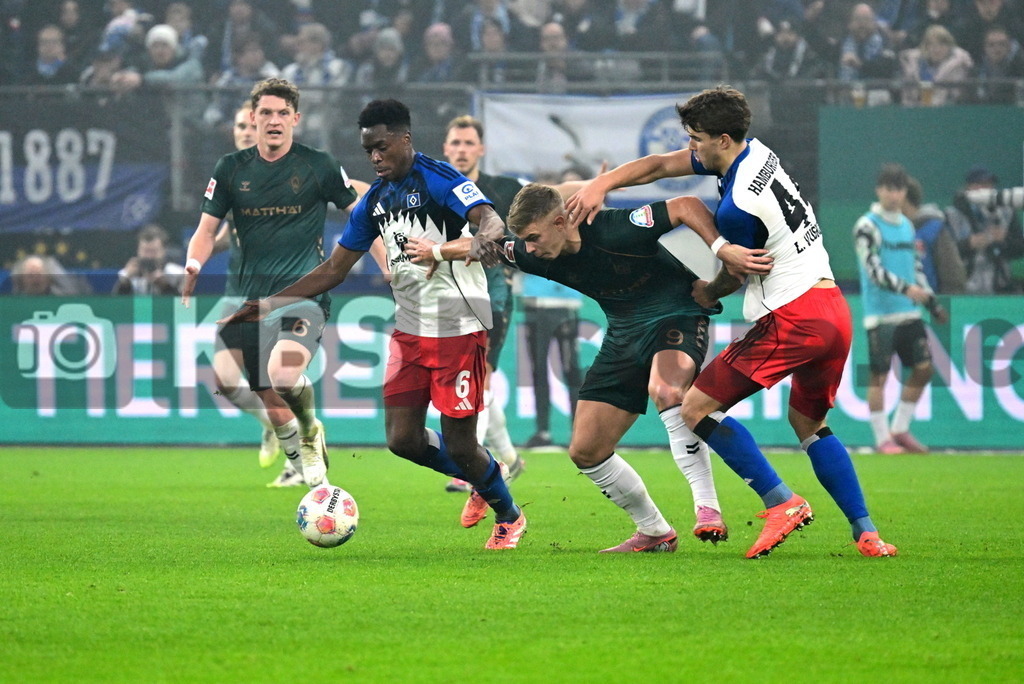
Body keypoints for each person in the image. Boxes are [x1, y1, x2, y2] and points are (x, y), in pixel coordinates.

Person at [566, 85, 899, 559]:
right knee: (810, 424)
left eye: (696, 139)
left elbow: (740, 268)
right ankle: (866, 532)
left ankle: (781, 502)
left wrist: (709, 290)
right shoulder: (756, 154)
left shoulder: (740, 207)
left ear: (722, 138)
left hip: (794, 315)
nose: (691, 148)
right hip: (832, 309)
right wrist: (602, 184)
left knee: (693, 407)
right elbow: (661, 164)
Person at [221, 98, 528, 550]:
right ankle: (487, 477)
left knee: (462, 444)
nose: (376, 158)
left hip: (460, 328)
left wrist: (482, 240)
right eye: (368, 152)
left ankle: (508, 514)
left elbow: (490, 219)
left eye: (382, 147)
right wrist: (268, 305)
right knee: (402, 440)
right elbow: (333, 270)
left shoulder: (440, 178)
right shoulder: (375, 203)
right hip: (409, 332)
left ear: (405, 138)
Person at [405, 183, 771, 551]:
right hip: (624, 331)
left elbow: (685, 204)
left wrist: (721, 249)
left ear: (562, 222)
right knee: (586, 451)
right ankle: (656, 532)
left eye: (534, 237)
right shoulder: (534, 252)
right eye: (525, 240)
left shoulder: (615, 227)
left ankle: (707, 507)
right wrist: (436, 250)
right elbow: (483, 247)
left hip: (677, 312)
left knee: (666, 390)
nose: (529, 249)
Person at [181, 78, 362, 491]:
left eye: (283, 113)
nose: (274, 120)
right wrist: (193, 262)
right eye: (266, 113)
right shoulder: (230, 169)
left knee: (282, 376)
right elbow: (206, 230)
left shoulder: (319, 164)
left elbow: (361, 215)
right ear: (254, 118)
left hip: (304, 295)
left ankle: (310, 437)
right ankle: (301, 443)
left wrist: (387, 263)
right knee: (244, 387)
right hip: (249, 301)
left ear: (296, 119)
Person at [439, 115, 526, 494]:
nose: (461, 149)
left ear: (481, 149)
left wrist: (595, 185)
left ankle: (476, 464)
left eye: (468, 143)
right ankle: (508, 456)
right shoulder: (435, 189)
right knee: (466, 378)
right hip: (449, 294)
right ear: (445, 148)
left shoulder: (502, 189)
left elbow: (552, 191)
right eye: (455, 143)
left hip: (494, 291)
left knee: (480, 375)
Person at [854, 164, 948, 455]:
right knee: (879, 376)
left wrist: (930, 301)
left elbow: (914, 266)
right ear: (879, 190)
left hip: (909, 313)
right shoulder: (867, 226)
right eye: (889, 188)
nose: (894, 195)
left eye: (899, 189)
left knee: (924, 369)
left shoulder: (907, 225)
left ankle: (900, 428)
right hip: (880, 315)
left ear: (905, 192)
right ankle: (882, 438)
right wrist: (907, 289)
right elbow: (873, 270)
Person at [519, 272, 582, 450]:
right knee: (540, 370)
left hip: (564, 301)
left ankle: (578, 432)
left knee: (571, 371)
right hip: (537, 302)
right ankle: (543, 432)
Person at [946, 165, 1024, 294]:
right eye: (980, 184)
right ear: (968, 187)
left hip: (1000, 287)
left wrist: (1005, 239)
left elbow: (1020, 248)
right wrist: (969, 244)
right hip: (964, 289)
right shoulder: (952, 215)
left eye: (988, 184)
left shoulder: (1007, 212)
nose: (985, 189)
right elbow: (943, 256)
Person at [904, 176, 966, 294]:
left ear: (905, 199)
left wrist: (943, 308)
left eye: (897, 192)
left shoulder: (935, 229)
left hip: (930, 305)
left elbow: (952, 274)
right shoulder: (888, 230)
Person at [898, 24, 973, 106]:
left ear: (950, 46)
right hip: (915, 113)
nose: (937, 49)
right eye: (932, 45)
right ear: (925, 47)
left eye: (942, 45)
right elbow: (907, 96)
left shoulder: (958, 66)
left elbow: (956, 97)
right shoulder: (913, 64)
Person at [113, 224, 186, 295]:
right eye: (145, 251)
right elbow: (114, 305)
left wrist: (165, 286)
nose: (149, 256)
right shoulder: (127, 274)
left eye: (153, 251)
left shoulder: (177, 274)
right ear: (138, 251)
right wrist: (125, 283)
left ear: (163, 251)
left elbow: (184, 306)